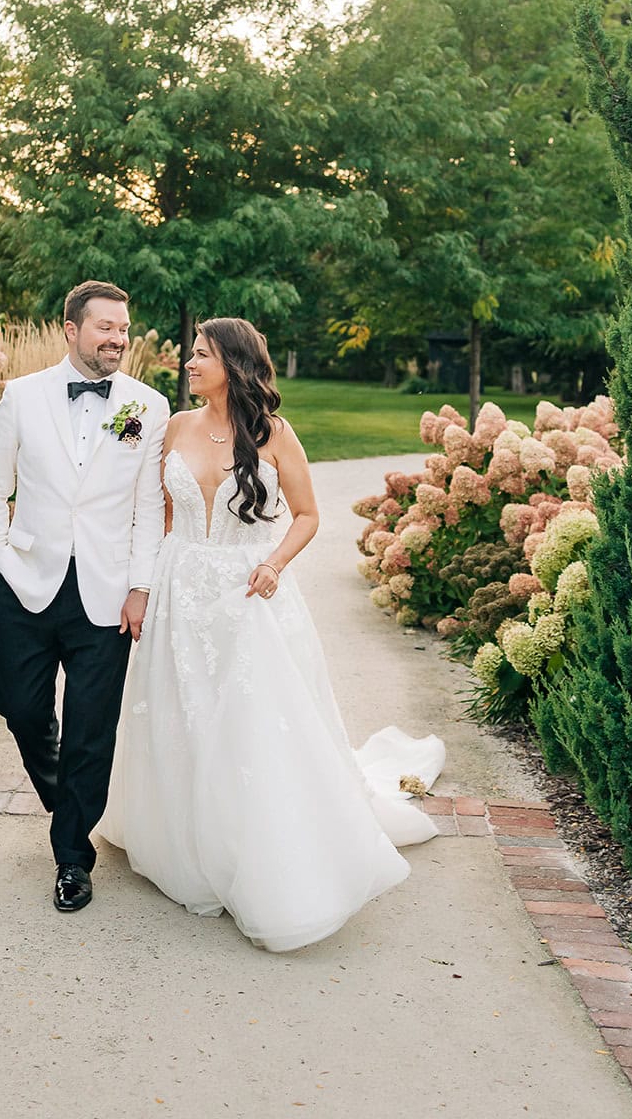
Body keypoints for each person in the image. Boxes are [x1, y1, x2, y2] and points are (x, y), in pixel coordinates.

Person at [100, 317, 446, 952]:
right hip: (181, 587)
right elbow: (128, 479)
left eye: (200, 355)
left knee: (249, 718)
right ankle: (184, 838)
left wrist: (274, 563)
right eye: (188, 355)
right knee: (182, 712)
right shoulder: (169, 425)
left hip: (246, 593)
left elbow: (310, 514)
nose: (187, 364)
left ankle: (256, 847)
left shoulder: (274, 434)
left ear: (233, 364)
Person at [0, 281, 170, 914]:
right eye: (105, 327)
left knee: (92, 730)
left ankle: (72, 856)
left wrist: (140, 587)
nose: (117, 338)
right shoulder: (21, 397)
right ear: (71, 329)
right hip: (26, 583)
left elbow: (146, 508)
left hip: (107, 594)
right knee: (21, 710)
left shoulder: (146, 405)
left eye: (123, 327)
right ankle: (69, 802)